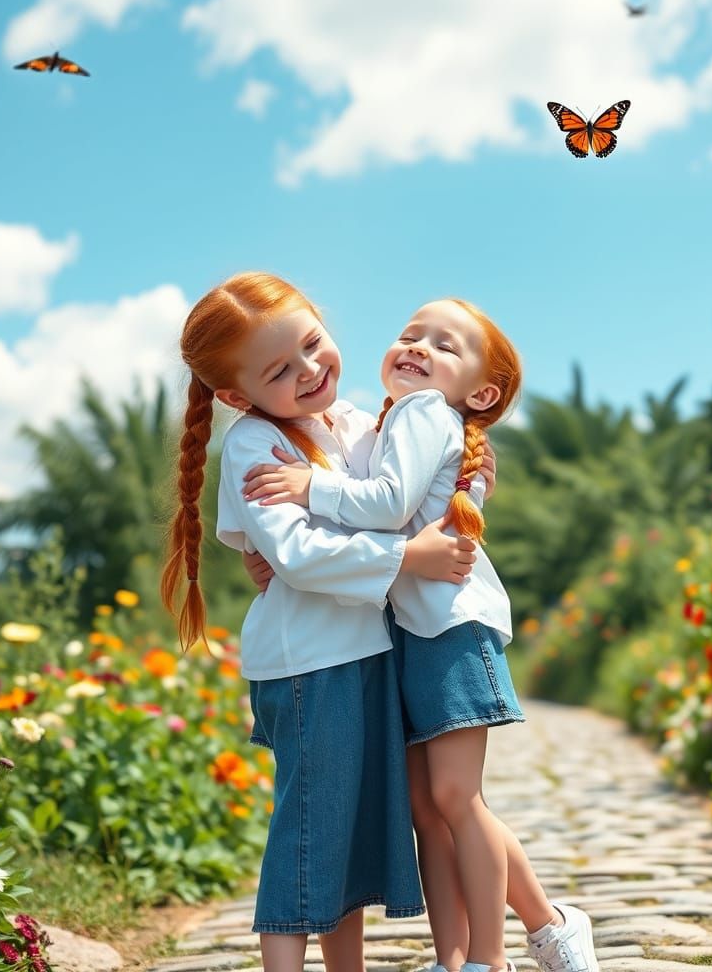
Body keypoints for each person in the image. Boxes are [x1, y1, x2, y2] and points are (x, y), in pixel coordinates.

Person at [242, 298, 601, 972]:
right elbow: (374, 505)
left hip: (452, 626)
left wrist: (306, 487)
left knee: (453, 799)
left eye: (444, 344)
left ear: (481, 390)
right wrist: (266, 549)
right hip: (406, 632)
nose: (418, 346)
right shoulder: (386, 422)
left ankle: (490, 959)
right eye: (410, 334)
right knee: (429, 808)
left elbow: (387, 504)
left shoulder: (425, 412)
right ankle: (467, 951)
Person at [160, 273, 483, 972]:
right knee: (310, 834)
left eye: (312, 343)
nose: (309, 370)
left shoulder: (348, 421)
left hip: (362, 650)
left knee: (351, 838)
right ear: (237, 396)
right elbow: (301, 555)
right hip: (310, 663)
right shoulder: (253, 443)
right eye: (280, 370)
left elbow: (403, 492)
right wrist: (407, 559)